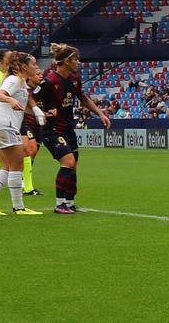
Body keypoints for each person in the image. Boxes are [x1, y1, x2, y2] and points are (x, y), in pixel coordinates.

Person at [32, 44, 113, 215]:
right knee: (68, 162)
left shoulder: (74, 79)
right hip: (52, 130)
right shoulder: (49, 80)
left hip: (68, 128)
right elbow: (30, 98)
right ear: (66, 61)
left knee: (73, 165)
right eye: (75, 59)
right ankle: (59, 204)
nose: (78, 62)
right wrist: (41, 112)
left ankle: (69, 203)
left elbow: (82, 97)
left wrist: (100, 114)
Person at [0, 51, 42, 216]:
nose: (36, 67)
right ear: (23, 66)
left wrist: (37, 111)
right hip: (5, 125)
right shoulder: (14, 80)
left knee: (6, 166)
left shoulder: (19, 82)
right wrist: (11, 100)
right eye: (33, 64)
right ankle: (18, 207)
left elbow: (22, 103)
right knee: (17, 164)